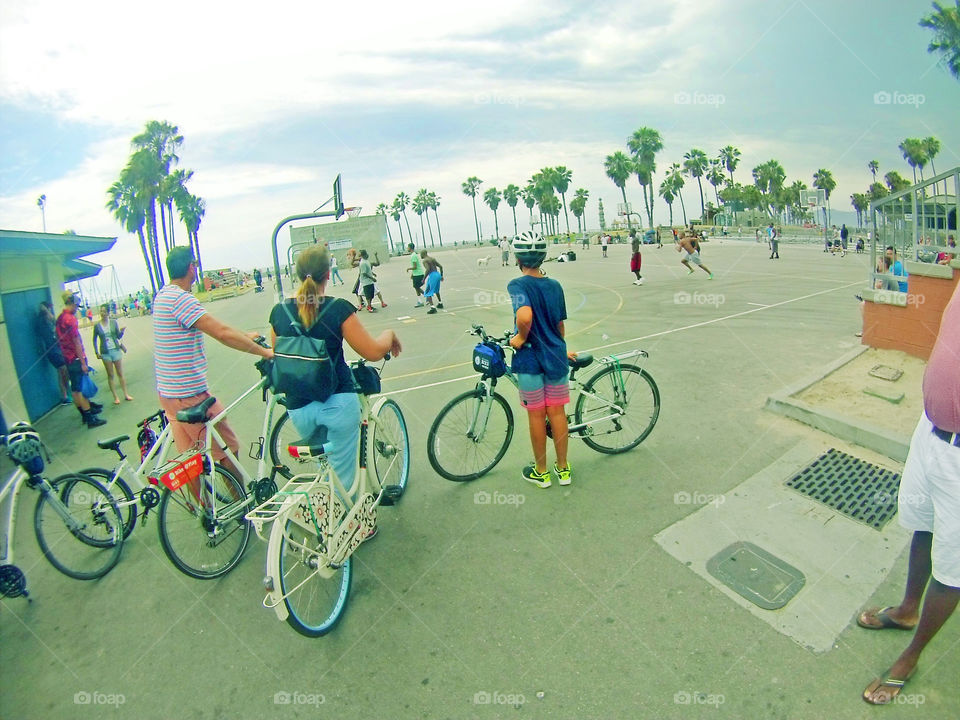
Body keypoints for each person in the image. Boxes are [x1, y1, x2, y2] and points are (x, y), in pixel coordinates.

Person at [858, 280, 960, 705]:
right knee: (923, 524)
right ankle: (906, 610)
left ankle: (911, 656)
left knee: (952, 568)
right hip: (929, 432)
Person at [269, 245, 401, 493]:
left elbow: (278, 356)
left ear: (297, 275)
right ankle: (350, 526)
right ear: (328, 275)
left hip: (299, 409)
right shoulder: (338, 308)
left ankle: (324, 513)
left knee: (327, 467)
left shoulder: (279, 312)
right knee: (345, 479)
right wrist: (389, 334)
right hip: (337, 403)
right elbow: (372, 352)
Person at [153, 247, 273, 479]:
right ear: (191, 267)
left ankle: (204, 510)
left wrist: (244, 336)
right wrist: (265, 352)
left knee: (189, 461)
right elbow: (221, 333)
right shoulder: (181, 299)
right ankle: (242, 507)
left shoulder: (163, 295)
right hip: (189, 394)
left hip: (169, 393)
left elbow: (215, 327)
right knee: (228, 450)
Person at [507, 233, 571, 488]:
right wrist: (560, 348)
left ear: (518, 257)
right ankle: (563, 469)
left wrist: (521, 337)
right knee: (557, 412)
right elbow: (559, 325)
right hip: (555, 357)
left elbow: (524, 317)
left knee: (536, 415)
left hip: (531, 359)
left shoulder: (518, 285)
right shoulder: (555, 285)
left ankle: (541, 472)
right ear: (542, 256)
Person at [56, 291, 106, 428]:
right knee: (82, 389)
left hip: (67, 359)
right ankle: (90, 418)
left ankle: (84, 414)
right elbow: (76, 341)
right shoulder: (70, 319)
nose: (77, 308)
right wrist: (83, 362)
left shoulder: (60, 318)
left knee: (75, 389)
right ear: (71, 302)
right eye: (77, 306)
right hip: (76, 358)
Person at [92, 304, 133, 404]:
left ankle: (126, 394)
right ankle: (115, 397)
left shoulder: (113, 323)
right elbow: (94, 339)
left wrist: (122, 332)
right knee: (110, 375)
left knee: (120, 373)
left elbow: (118, 336)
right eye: (101, 311)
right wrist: (96, 352)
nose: (102, 313)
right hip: (105, 352)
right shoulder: (97, 326)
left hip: (115, 349)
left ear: (108, 312)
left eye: (104, 311)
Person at [37, 301, 72, 404]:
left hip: (57, 348)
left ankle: (66, 394)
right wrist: (45, 310)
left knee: (63, 372)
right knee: (62, 371)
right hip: (52, 351)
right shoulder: (41, 322)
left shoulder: (51, 321)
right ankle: (65, 395)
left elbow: (55, 322)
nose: (50, 311)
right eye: (48, 309)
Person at [406, 243, 426, 307]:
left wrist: (408, 269)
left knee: (416, 287)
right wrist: (412, 274)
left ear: (410, 248)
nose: (407, 248)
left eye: (408, 247)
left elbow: (415, 267)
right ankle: (423, 299)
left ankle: (424, 298)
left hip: (418, 274)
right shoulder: (413, 255)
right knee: (416, 287)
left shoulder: (413, 256)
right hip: (417, 274)